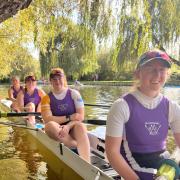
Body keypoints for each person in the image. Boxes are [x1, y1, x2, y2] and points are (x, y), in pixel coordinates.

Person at [105, 49, 180, 180]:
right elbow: (112, 153)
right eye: (150, 68)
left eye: (162, 69)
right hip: (135, 169)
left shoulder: (172, 107)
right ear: (138, 73)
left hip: (163, 164)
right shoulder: (121, 106)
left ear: (167, 74)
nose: (157, 74)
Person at [41, 68, 90, 163]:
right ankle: (75, 145)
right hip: (57, 128)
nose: (57, 81)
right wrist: (70, 117)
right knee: (49, 126)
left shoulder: (74, 94)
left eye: (59, 78)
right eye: (54, 79)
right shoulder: (46, 98)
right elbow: (47, 119)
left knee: (81, 126)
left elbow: (80, 116)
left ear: (64, 79)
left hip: (74, 126)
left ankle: (87, 162)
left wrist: (68, 126)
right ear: (50, 81)